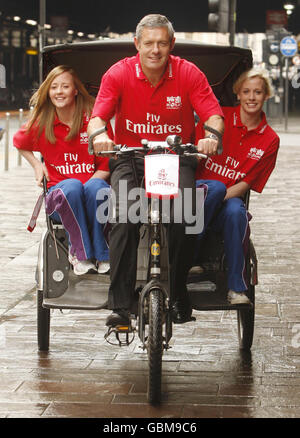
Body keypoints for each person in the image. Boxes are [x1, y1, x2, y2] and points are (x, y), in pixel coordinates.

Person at [88, 14, 224, 326]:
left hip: (175, 157)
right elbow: (98, 116)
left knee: (186, 216)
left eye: (162, 43)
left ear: (171, 45)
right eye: (148, 43)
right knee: (122, 216)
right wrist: (100, 136)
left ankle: (177, 294)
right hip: (130, 158)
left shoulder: (188, 73)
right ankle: (121, 305)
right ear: (137, 44)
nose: (155, 50)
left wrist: (211, 137)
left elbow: (213, 115)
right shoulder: (118, 73)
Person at [13, 65, 110, 276]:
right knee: (72, 187)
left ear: (75, 90)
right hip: (61, 197)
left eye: (65, 86)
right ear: (48, 91)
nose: (59, 91)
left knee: (95, 188)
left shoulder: (92, 120)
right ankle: (80, 253)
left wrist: (88, 190)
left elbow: (106, 165)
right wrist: (38, 166)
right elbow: (19, 142)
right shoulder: (43, 121)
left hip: (93, 192)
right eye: (54, 87)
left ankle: (103, 254)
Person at [195, 68, 280, 304]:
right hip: (196, 196)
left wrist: (217, 196)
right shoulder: (219, 118)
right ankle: (189, 256)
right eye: (247, 92)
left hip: (226, 199)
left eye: (258, 92)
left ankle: (236, 288)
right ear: (238, 94)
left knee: (236, 211)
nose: (252, 97)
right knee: (211, 188)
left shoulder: (270, 139)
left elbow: (247, 183)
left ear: (266, 96)